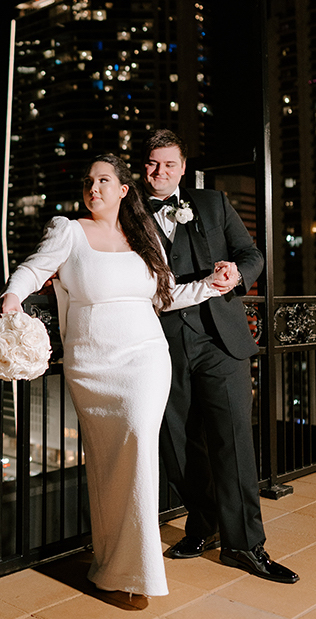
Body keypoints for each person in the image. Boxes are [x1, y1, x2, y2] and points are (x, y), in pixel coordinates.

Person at [0, 154, 227, 597]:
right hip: (93, 365)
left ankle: (138, 573)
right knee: (108, 464)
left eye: (103, 180)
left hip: (145, 358)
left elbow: (163, 296)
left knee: (141, 447)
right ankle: (110, 564)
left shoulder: (146, 239)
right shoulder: (69, 230)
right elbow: (34, 268)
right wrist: (12, 296)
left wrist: (209, 286)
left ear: (124, 190)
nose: (93, 188)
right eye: (88, 181)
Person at [142, 129, 298, 584]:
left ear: (183, 167)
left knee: (233, 443)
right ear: (143, 165)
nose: (160, 172)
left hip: (220, 340)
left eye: (169, 164)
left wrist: (237, 273)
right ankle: (204, 522)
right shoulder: (128, 214)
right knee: (177, 446)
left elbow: (251, 253)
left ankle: (245, 545)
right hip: (160, 343)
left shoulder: (212, 203)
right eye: (153, 164)